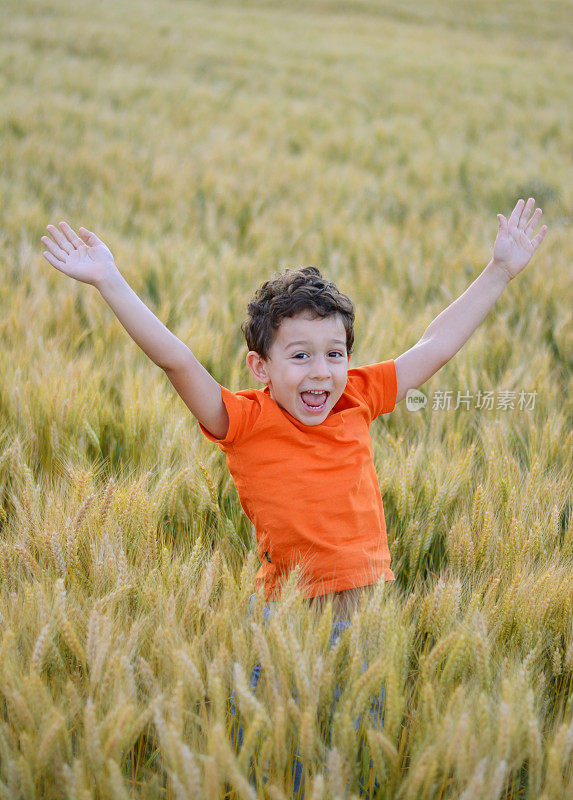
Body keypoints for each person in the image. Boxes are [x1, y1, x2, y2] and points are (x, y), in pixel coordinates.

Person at [41, 197, 547, 794]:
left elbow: (435, 345)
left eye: (335, 355)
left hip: (367, 614)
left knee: (358, 750)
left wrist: (499, 271)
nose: (321, 373)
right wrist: (110, 281)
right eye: (300, 356)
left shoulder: (358, 394)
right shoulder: (242, 421)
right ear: (260, 366)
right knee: (278, 759)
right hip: (285, 617)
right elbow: (174, 360)